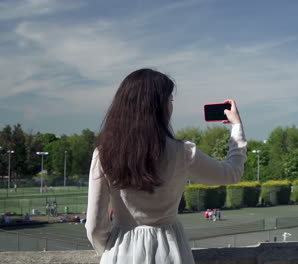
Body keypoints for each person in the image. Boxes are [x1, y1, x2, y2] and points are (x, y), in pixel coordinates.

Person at [85, 68, 247, 264]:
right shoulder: (183, 152)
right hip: (170, 251)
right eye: (169, 100)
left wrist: (112, 251)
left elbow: (94, 226)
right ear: (158, 107)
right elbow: (232, 173)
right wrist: (236, 127)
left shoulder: (104, 153)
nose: (171, 107)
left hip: (121, 253)